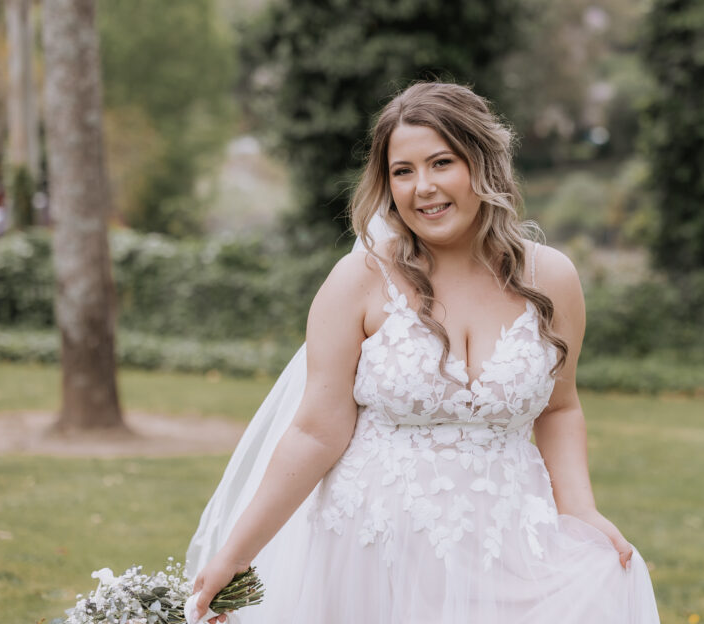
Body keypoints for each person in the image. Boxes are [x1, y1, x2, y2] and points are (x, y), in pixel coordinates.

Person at [187, 82, 659, 623]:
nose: (423, 188)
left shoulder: (551, 277)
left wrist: (580, 510)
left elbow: (559, 407)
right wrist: (237, 553)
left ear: (484, 164)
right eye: (403, 171)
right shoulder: (359, 281)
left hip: (507, 543)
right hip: (374, 553)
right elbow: (315, 431)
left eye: (441, 163)